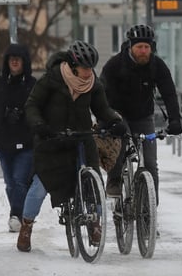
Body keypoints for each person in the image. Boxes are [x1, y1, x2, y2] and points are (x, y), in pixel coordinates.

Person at [22, 40, 127, 252]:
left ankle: (94, 223)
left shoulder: (93, 85)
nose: (89, 73)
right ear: (72, 65)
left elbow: (102, 109)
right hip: (52, 140)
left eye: (91, 68)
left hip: (82, 139)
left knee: (93, 180)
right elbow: (32, 105)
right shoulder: (51, 80)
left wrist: (115, 121)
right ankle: (26, 227)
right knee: (41, 186)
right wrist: (40, 125)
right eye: (85, 68)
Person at [99, 24, 182, 197]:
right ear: (131, 47)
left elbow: (169, 92)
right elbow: (102, 97)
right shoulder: (114, 65)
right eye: (139, 47)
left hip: (143, 116)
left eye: (147, 47)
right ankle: (114, 180)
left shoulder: (157, 65)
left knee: (151, 163)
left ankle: (150, 207)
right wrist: (108, 121)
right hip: (118, 114)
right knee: (120, 145)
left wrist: (175, 119)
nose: (144, 51)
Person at [0, 43, 38, 234]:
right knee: (11, 183)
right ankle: (19, 214)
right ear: (6, 61)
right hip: (3, 143)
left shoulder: (33, 86)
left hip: (27, 143)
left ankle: (16, 215)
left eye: (18, 58)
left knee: (20, 180)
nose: (14, 62)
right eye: (11, 58)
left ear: (24, 62)